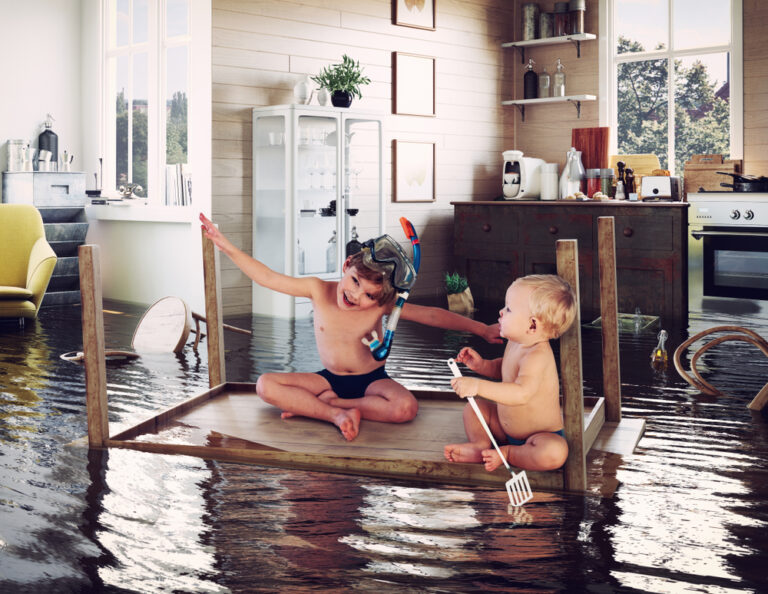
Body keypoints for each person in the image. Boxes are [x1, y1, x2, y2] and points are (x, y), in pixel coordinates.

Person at [199, 213, 501, 441]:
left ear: (381, 298)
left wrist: (481, 329)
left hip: (372, 380)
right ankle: (335, 413)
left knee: (406, 408)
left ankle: (330, 405)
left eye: (369, 295)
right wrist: (225, 246)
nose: (356, 295)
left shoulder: (385, 306)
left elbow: (433, 316)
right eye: (355, 282)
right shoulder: (318, 290)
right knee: (266, 385)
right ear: (346, 267)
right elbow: (268, 277)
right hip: (328, 379)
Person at [444, 274, 577, 472]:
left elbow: (521, 392)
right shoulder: (516, 342)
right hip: (505, 427)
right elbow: (505, 369)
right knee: (474, 408)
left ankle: (507, 453)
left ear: (532, 325)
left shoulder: (537, 355)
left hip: (538, 436)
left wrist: (478, 386)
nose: (501, 312)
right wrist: (482, 365)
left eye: (509, 309)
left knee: (554, 453)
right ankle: (480, 446)